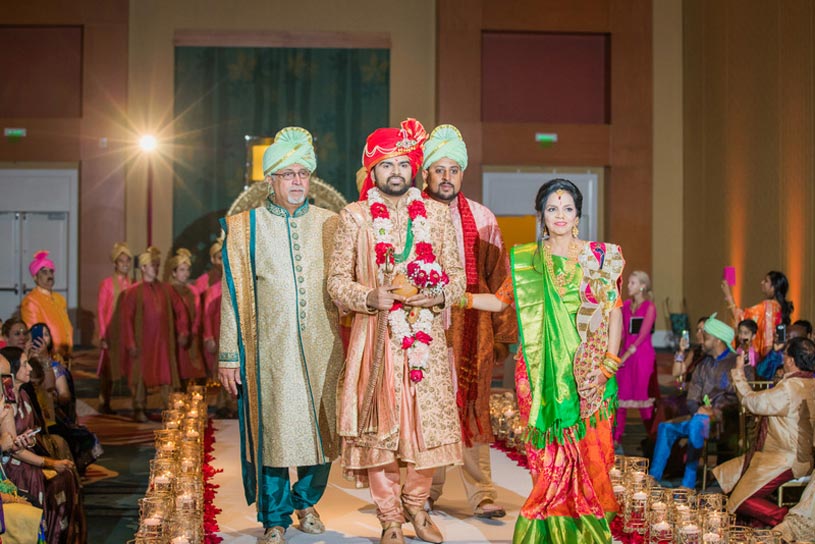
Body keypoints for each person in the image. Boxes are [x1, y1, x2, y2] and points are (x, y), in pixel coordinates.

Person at [327, 118, 465, 544]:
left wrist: (437, 296)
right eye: (387, 165)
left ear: (414, 169)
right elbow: (335, 281)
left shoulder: (439, 216)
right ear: (372, 172)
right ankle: (389, 517)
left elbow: (458, 277)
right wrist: (370, 298)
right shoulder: (355, 217)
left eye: (404, 164)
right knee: (380, 434)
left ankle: (417, 507)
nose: (396, 172)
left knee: (427, 428)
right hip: (377, 338)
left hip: (425, 338)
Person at [465, 178, 625, 543]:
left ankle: (586, 524)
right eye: (552, 209)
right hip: (540, 373)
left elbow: (614, 312)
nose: (560, 215)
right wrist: (461, 299)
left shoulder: (597, 257)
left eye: (567, 208)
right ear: (541, 215)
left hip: (588, 374)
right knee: (547, 455)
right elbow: (500, 302)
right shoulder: (526, 261)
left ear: (578, 215)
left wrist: (607, 367)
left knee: (590, 452)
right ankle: (549, 522)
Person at [218, 127, 343, 544]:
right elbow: (231, 298)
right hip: (268, 351)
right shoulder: (244, 228)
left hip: (324, 347)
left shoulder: (331, 224)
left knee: (324, 433)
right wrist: (228, 356)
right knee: (271, 434)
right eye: (287, 174)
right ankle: (274, 517)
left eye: (303, 174)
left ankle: (305, 500)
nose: (296, 182)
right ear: (270, 180)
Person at [418, 124, 517, 519]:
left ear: (462, 173)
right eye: (438, 169)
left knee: (473, 407)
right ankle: (425, 491)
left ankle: (482, 494)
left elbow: (501, 279)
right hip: (423, 329)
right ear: (425, 173)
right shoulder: (412, 215)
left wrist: (503, 335)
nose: (446, 177)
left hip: (472, 330)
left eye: (453, 170)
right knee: (430, 411)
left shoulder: (482, 217)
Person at [713, 336, 815, 526]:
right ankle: (753, 527)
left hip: (785, 459)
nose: (783, 359)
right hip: (791, 455)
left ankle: (788, 522)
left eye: (785, 355)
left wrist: (738, 372)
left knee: (740, 499)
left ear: (791, 361)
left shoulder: (790, 388)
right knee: (730, 475)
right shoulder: (810, 383)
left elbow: (752, 402)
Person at [649, 313, 754, 488]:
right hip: (702, 418)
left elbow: (742, 396)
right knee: (666, 427)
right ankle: (653, 477)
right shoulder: (703, 364)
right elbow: (692, 397)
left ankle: (688, 484)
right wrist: (698, 409)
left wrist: (715, 410)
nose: (702, 339)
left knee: (698, 423)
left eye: (706, 336)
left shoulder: (738, 363)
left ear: (718, 340)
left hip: (727, 421)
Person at [1, 347, 86, 544]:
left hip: (17, 459)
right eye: (24, 364)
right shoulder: (7, 403)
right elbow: (10, 446)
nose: (29, 368)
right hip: (12, 469)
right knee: (36, 475)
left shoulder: (20, 396)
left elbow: (14, 442)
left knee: (66, 475)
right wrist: (48, 462)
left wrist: (25, 440)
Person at [120, 247, 189, 422]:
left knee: (166, 373)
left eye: (157, 265)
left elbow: (180, 310)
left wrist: (183, 330)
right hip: (143, 342)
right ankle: (139, 407)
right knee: (141, 374)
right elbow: (126, 319)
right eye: (152, 265)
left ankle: (169, 407)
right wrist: (130, 343)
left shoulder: (166, 289)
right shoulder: (133, 293)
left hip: (164, 342)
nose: (155, 268)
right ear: (143, 268)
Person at [31, 323, 103, 475]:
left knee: (76, 437)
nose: (43, 339)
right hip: (31, 418)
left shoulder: (54, 366)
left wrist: (44, 361)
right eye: (39, 335)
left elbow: (64, 396)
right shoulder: (25, 365)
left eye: (46, 334)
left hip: (50, 415)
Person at [614, 270, 657, 448]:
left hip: (641, 355)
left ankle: (652, 438)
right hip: (625, 355)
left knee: (642, 398)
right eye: (629, 283)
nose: (629, 286)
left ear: (642, 286)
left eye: (632, 283)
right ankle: (616, 438)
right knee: (621, 397)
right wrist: (615, 353)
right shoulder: (625, 306)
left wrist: (625, 354)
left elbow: (643, 334)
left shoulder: (649, 307)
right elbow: (622, 331)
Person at [96, 242, 134, 414]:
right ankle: (105, 401)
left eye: (127, 261)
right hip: (112, 333)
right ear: (115, 264)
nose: (125, 264)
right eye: (121, 261)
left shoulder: (133, 283)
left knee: (133, 367)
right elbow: (101, 310)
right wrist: (103, 335)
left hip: (129, 333)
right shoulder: (107, 284)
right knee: (109, 369)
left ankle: (136, 403)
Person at [722, 270, 793, 356]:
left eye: (766, 281)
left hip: (763, 356)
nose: (762, 282)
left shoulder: (767, 306)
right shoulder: (780, 307)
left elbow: (742, 318)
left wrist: (728, 296)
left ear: (773, 287)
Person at [20, 251, 73, 361]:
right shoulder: (31, 301)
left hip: (65, 355)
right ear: (35, 277)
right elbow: (36, 335)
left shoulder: (59, 299)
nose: (49, 275)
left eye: (51, 272)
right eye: (44, 272)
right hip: (47, 357)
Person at [166, 248, 207, 385]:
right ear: (174, 272)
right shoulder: (168, 291)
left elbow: (198, 312)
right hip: (174, 337)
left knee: (193, 370)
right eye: (182, 270)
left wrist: (193, 331)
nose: (186, 273)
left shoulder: (193, 290)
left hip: (192, 336)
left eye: (187, 270)